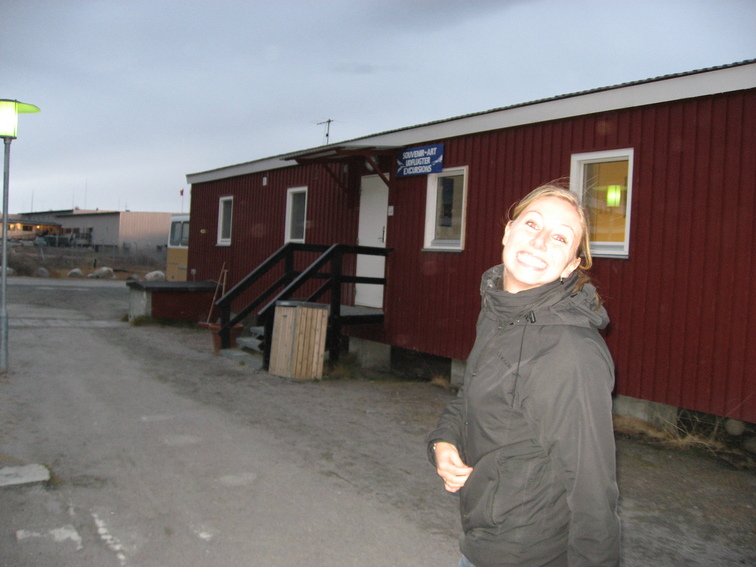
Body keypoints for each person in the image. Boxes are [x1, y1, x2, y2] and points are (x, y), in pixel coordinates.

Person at [426, 182, 620, 567]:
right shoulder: (501, 311)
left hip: (524, 553)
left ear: (571, 265)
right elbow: (471, 396)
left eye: (560, 237)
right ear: (507, 231)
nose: (540, 240)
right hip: (483, 535)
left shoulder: (569, 353)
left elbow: (593, 493)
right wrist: (443, 442)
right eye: (532, 223)